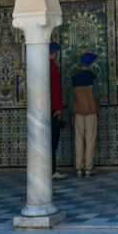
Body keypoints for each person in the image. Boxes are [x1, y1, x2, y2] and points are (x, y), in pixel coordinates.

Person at [70, 50, 101, 177]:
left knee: (79, 140)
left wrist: (72, 112)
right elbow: (97, 95)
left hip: (78, 113)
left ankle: (78, 168)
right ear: (90, 64)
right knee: (90, 139)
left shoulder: (74, 78)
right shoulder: (93, 78)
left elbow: (71, 98)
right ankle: (89, 168)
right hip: (91, 112)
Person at [49, 41, 66, 180]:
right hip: (52, 109)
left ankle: (48, 169)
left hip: (42, 110)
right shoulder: (52, 67)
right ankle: (52, 170)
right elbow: (55, 89)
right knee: (53, 140)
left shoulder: (40, 65)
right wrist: (58, 108)